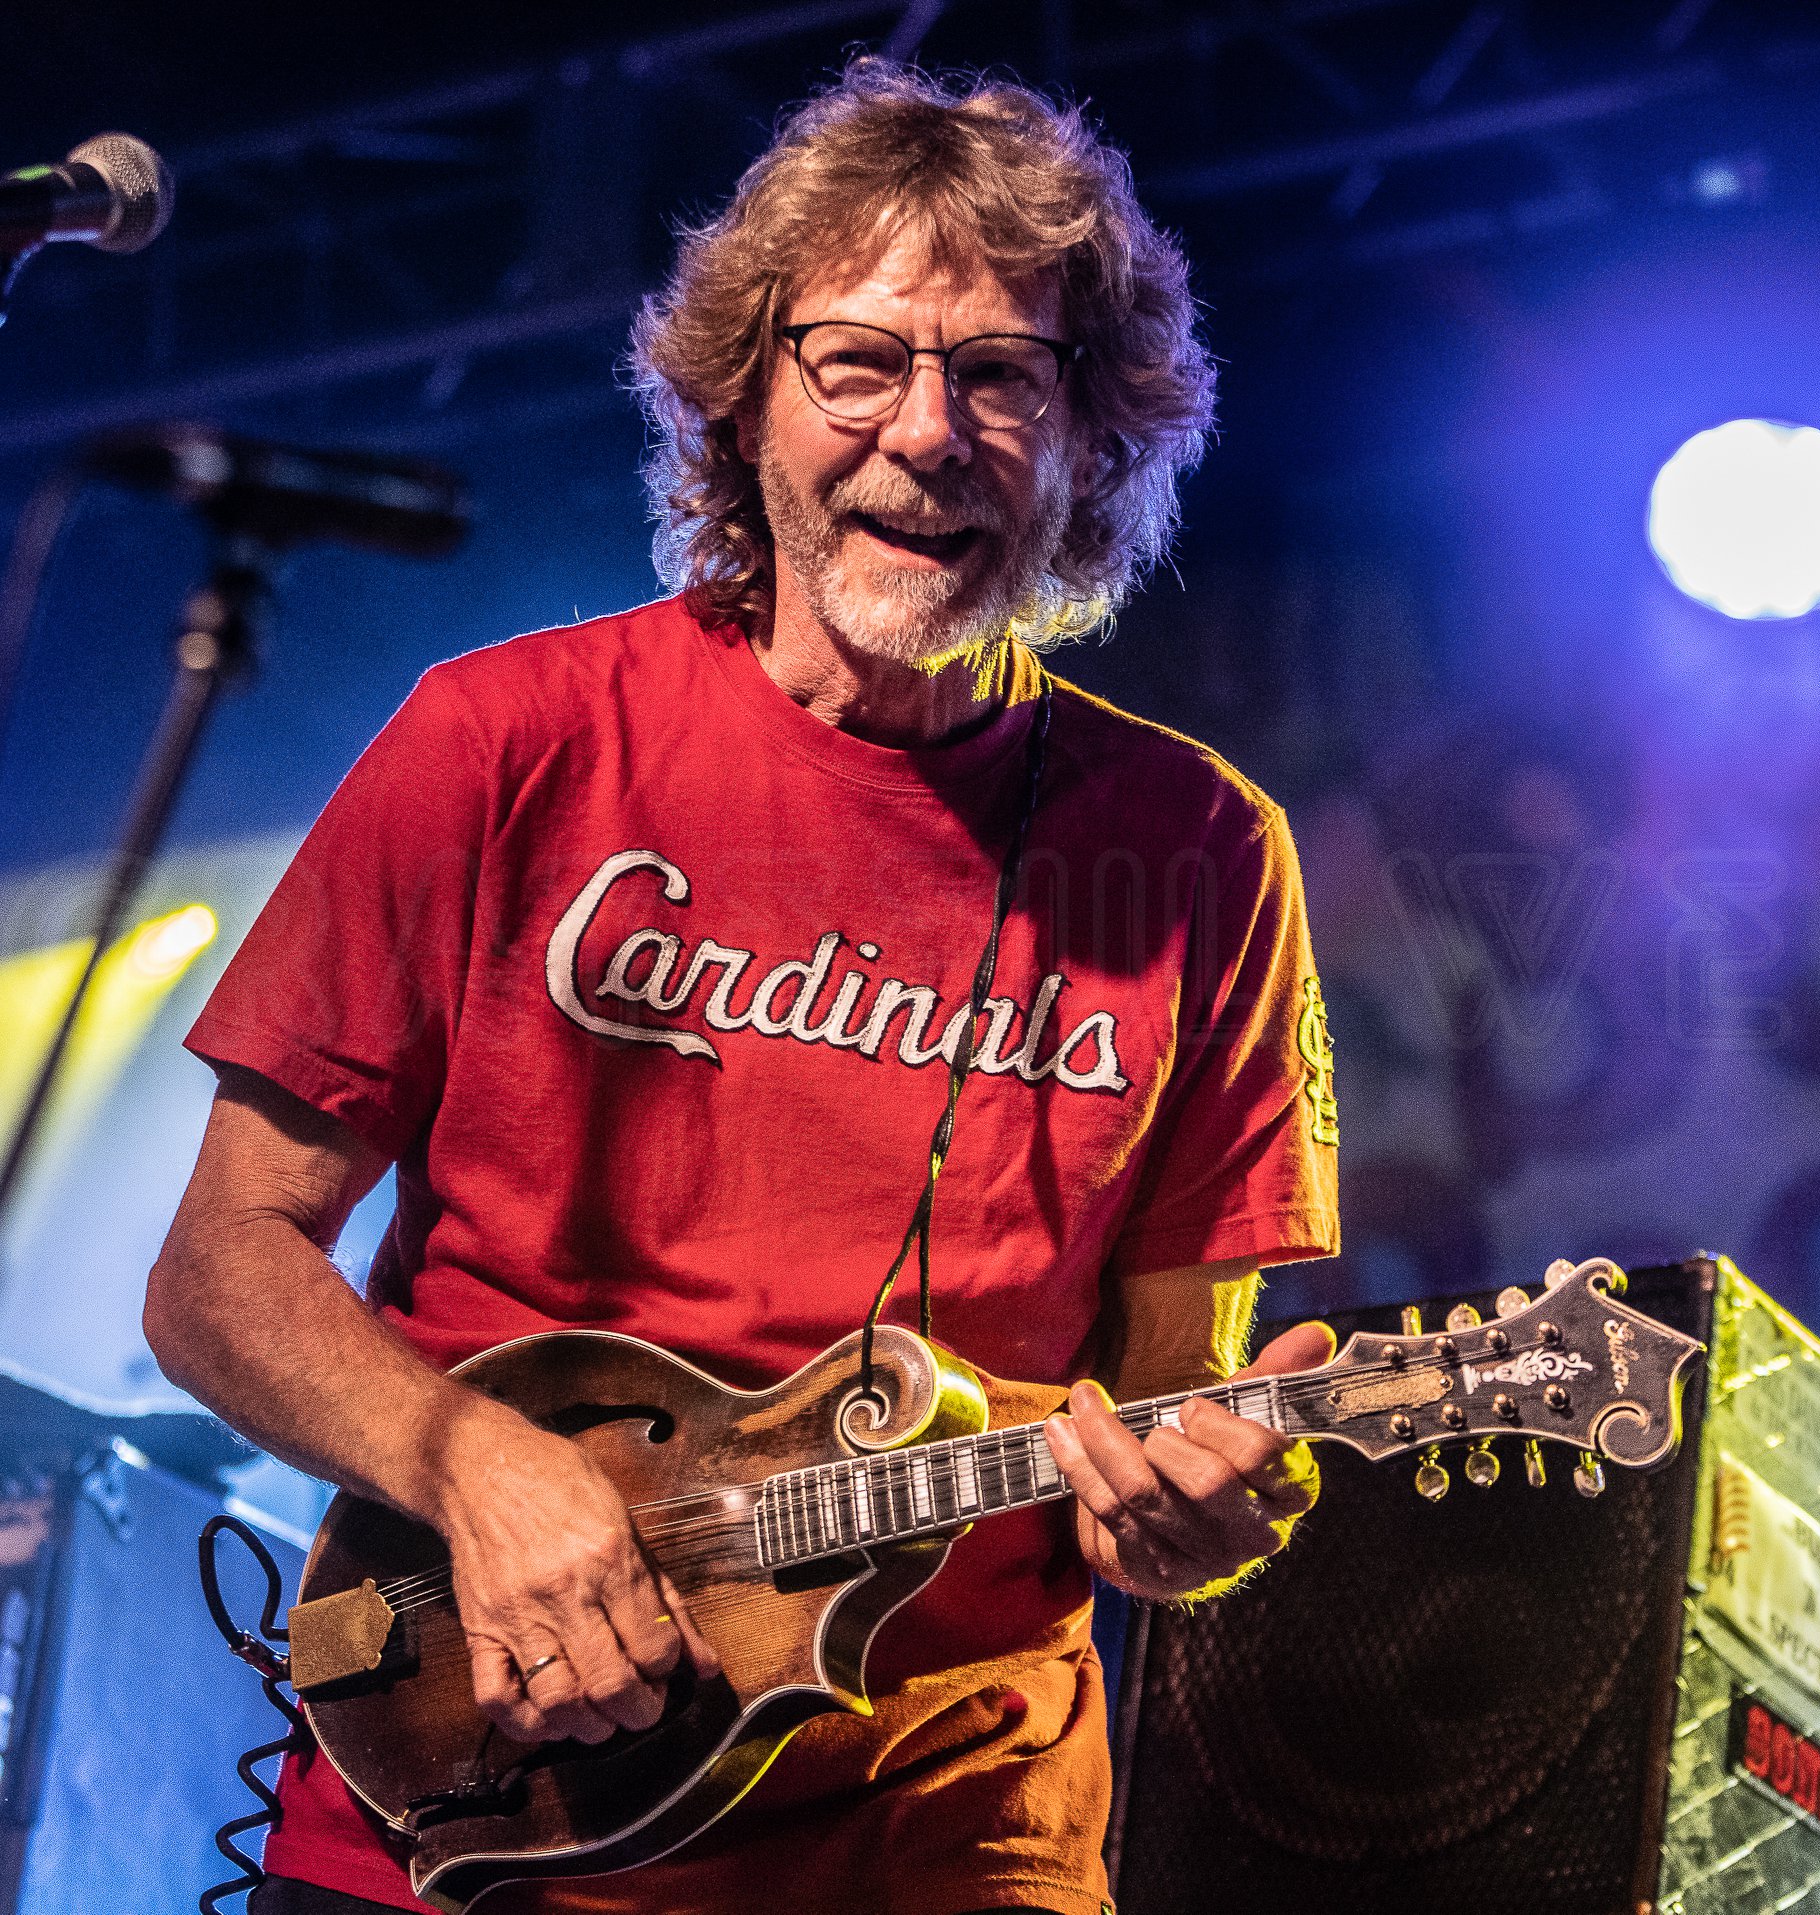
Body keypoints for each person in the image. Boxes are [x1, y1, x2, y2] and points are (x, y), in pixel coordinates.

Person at [146, 61, 1339, 1915]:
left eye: (1004, 375)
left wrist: (1192, 1525)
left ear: (1094, 437)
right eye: (859, 360)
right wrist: (469, 1459)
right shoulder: (505, 739)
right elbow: (219, 1268)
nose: (928, 431)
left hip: (952, 1847)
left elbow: (1166, 1423)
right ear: (746, 400)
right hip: (473, 1803)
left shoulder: (1205, 854)